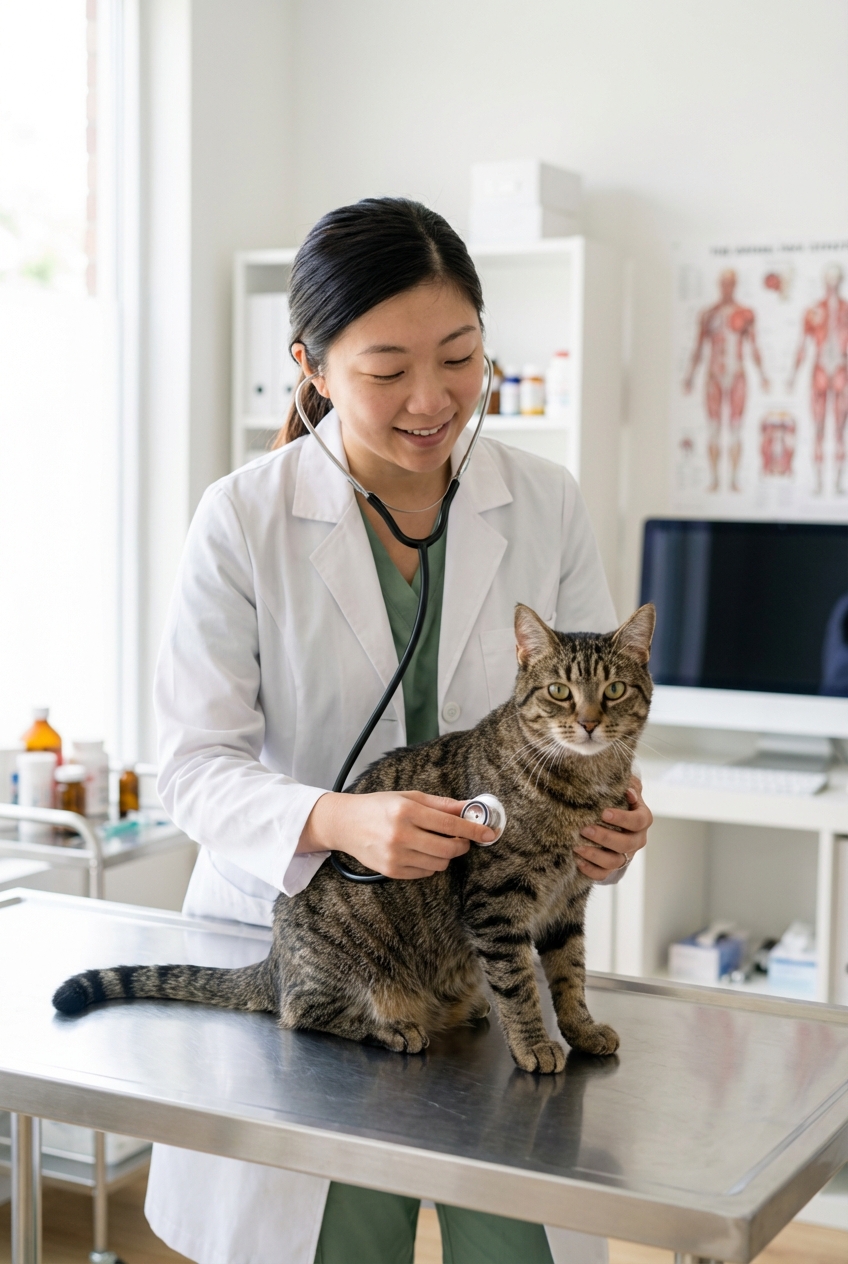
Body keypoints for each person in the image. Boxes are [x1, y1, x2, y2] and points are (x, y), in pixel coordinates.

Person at [144, 198, 653, 1264]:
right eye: (386, 369)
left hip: (489, 976)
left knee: (515, 1244)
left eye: (459, 356)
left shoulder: (544, 500)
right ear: (312, 365)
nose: (432, 399)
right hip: (330, 956)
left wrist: (614, 816)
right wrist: (337, 820)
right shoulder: (240, 518)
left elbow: (594, 705)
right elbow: (191, 764)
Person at [684, 268, 769, 493]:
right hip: (714, 374)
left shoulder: (745, 313)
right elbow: (699, 348)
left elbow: (753, 347)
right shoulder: (708, 314)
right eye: (724, 283)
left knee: (735, 429)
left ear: (735, 285)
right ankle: (714, 479)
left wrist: (763, 376)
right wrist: (689, 377)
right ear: (719, 284)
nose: (727, 287)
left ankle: (733, 479)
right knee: (713, 428)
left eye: (731, 283)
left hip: (737, 374)